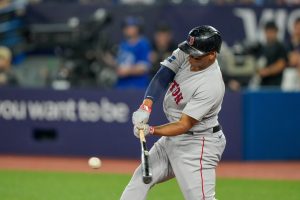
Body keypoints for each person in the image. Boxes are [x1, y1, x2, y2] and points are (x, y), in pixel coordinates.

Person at [121, 25, 226, 200]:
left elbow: (184, 124)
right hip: (172, 138)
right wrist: (146, 106)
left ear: (212, 55)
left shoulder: (211, 85)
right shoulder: (189, 52)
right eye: (189, 51)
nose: (190, 57)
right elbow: (164, 74)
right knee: (140, 180)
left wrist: (151, 130)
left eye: (196, 55)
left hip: (198, 144)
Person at [116, 16, 152, 88]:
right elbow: (118, 64)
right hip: (121, 86)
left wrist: (127, 71)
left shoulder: (143, 44)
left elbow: (144, 67)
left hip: (137, 86)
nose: (128, 29)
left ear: (138, 28)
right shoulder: (123, 44)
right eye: (126, 27)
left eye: (131, 27)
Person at [255, 21, 287, 87]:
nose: (269, 34)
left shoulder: (280, 47)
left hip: (275, 84)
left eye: (272, 32)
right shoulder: (262, 47)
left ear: (276, 32)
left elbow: (281, 64)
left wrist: (267, 71)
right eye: (268, 32)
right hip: (262, 85)